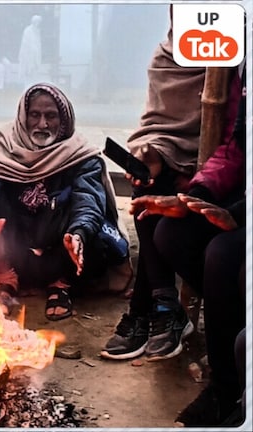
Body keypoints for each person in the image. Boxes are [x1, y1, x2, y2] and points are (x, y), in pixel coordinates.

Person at [99, 13, 243, 360]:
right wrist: (152, 154)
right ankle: (164, 306)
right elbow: (157, 123)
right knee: (148, 185)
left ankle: (147, 308)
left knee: (167, 203)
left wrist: (196, 178)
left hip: (219, 165)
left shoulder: (232, 59)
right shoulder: (166, 57)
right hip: (185, 158)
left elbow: (232, 138)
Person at [122, 87, 245, 424]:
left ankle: (227, 388)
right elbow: (237, 146)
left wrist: (239, 213)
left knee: (223, 256)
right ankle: (224, 372)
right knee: (172, 233)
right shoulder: (242, 66)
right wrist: (195, 198)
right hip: (241, 189)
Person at [0, 83, 128, 321]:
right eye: (35, 115)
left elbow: (89, 198)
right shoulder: (1, 145)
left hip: (61, 252)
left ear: (63, 120)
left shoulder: (80, 154)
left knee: (96, 234)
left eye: (51, 116)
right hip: (15, 249)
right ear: (24, 116)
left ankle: (62, 284)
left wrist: (79, 233)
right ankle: (6, 278)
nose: (42, 124)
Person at [18, 15, 42, 89]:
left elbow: (38, 45)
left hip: (35, 58)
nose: (38, 24)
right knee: (28, 76)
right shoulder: (27, 31)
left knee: (34, 77)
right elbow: (26, 45)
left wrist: (37, 55)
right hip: (28, 57)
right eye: (37, 22)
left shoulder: (37, 31)